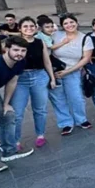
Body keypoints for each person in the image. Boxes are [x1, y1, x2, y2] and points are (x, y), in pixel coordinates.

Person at [0, 37, 34, 174]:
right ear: (6, 49)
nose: (19, 53)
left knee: (8, 115)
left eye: (23, 50)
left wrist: (6, 104)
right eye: (15, 50)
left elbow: (12, 82)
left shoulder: (20, 62)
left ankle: (9, 151)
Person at [13, 17, 56, 148]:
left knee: (40, 109)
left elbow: (47, 61)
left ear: (36, 28)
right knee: (17, 112)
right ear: (19, 28)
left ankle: (40, 134)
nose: (29, 29)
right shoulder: (14, 43)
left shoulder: (39, 42)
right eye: (25, 26)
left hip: (39, 76)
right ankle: (15, 140)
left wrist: (52, 78)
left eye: (32, 26)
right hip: (20, 78)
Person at [49, 14, 93, 135]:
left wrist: (68, 71)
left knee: (76, 97)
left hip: (73, 71)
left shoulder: (85, 38)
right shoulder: (56, 35)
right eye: (66, 23)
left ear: (77, 22)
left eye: (72, 22)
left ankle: (81, 119)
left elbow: (85, 58)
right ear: (62, 26)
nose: (69, 25)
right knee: (58, 99)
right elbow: (47, 49)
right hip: (54, 72)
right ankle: (66, 123)